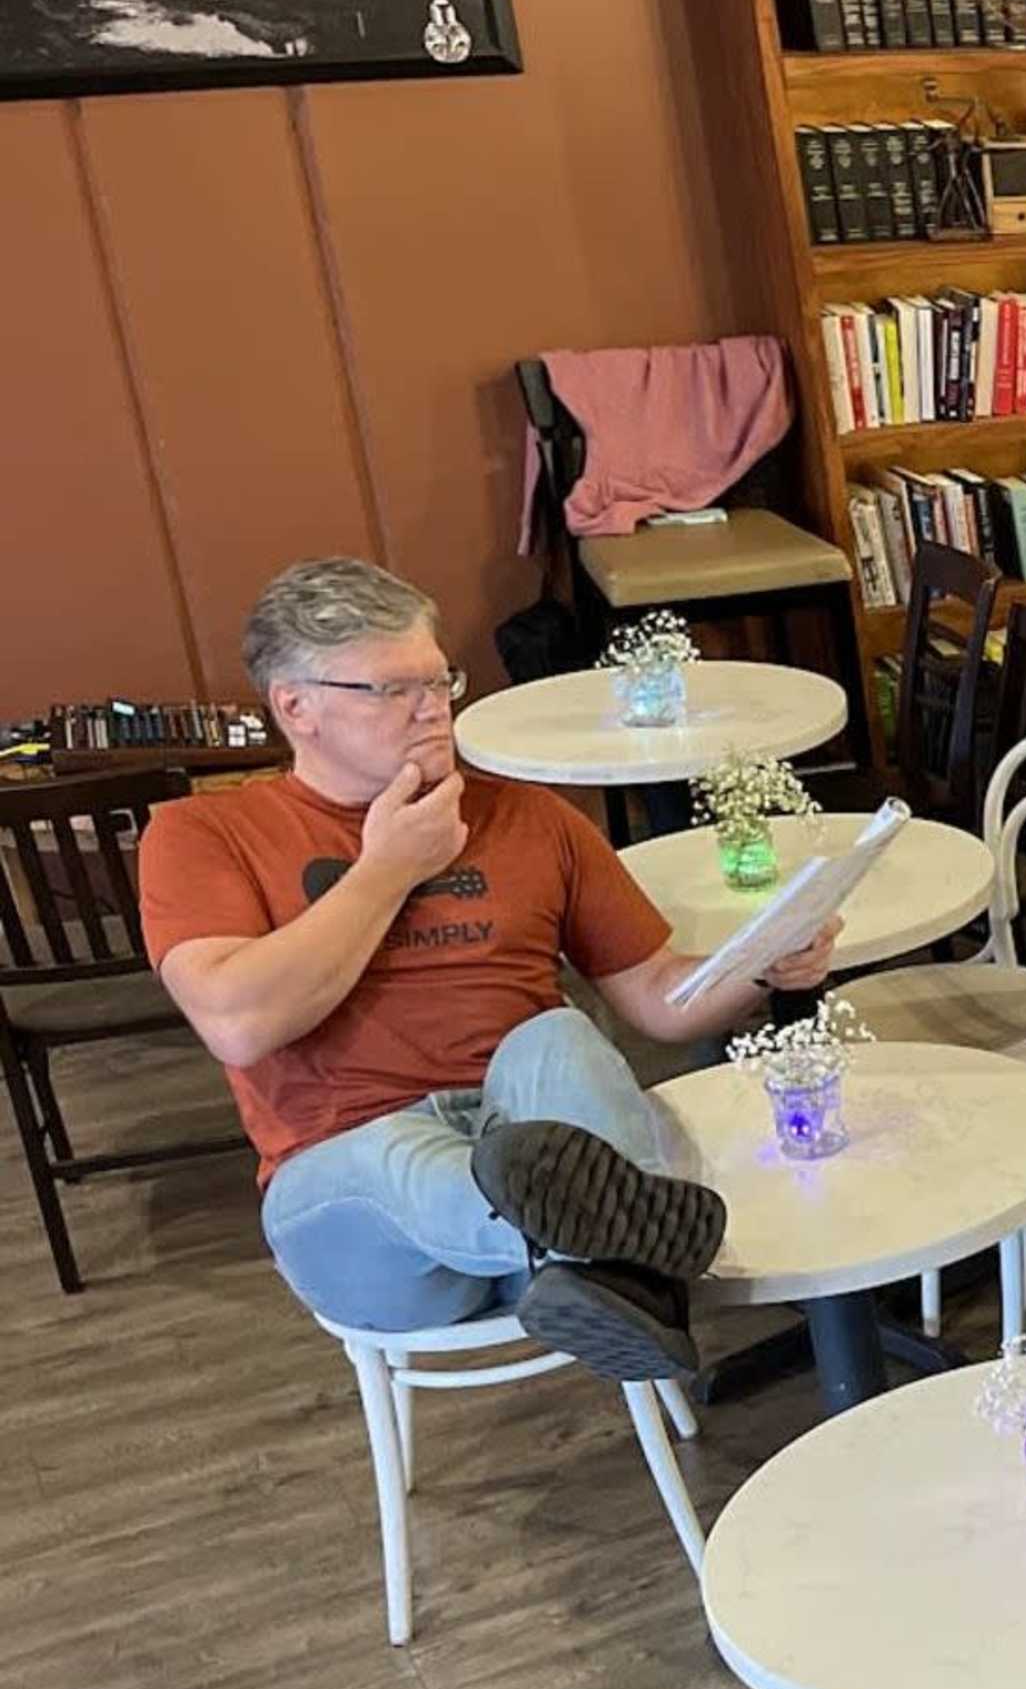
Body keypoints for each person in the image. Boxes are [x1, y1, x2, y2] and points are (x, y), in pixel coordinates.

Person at [141, 559, 839, 1378]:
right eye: (393, 690)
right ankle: (626, 1246)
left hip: (532, 1145)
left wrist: (763, 963)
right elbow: (237, 1022)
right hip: (363, 1223)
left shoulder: (528, 816)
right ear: (297, 706)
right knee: (392, 1153)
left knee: (556, 1038)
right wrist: (387, 869)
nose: (434, 710)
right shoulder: (204, 834)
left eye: (440, 682)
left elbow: (656, 997)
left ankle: (592, 1248)